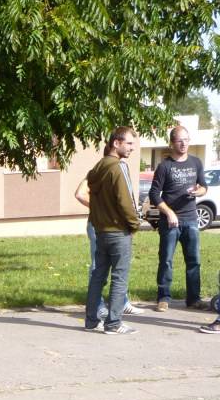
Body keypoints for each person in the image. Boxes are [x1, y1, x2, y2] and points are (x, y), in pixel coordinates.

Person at [84, 127, 140, 334]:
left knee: (98, 275)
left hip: (100, 231)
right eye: (129, 144)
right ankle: (113, 323)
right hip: (118, 231)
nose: (132, 148)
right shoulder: (118, 167)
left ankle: (91, 321)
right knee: (119, 277)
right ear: (116, 143)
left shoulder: (98, 167)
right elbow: (125, 201)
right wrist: (134, 224)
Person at [148, 126, 208, 312]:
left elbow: (204, 186)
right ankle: (164, 298)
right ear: (172, 143)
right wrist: (169, 212)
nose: (184, 144)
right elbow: (154, 194)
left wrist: (199, 191)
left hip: (191, 219)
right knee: (166, 260)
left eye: (187, 140)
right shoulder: (165, 166)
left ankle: (193, 299)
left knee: (194, 261)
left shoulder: (196, 162)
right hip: (170, 222)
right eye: (180, 140)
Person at [74, 172, 142, 322]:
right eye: (128, 145)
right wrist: (102, 209)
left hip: (116, 226)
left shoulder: (117, 172)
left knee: (118, 266)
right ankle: (98, 307)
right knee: (98, 266)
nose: (130, 148)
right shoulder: (99, 173)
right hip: (100, 224)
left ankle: (122, 303)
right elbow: (80, 194)